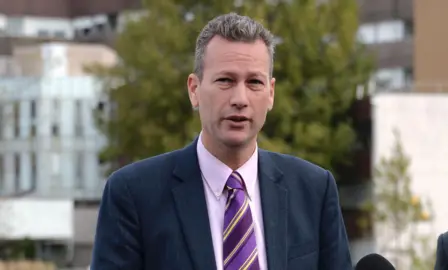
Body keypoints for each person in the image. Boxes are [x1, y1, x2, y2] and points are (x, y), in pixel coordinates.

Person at [91, 12, 352, 270]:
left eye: (254, 82)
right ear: (194, 90)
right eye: (225, 81)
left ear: (271, 93)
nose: (240, 98)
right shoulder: (133, 195)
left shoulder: (314, 191)